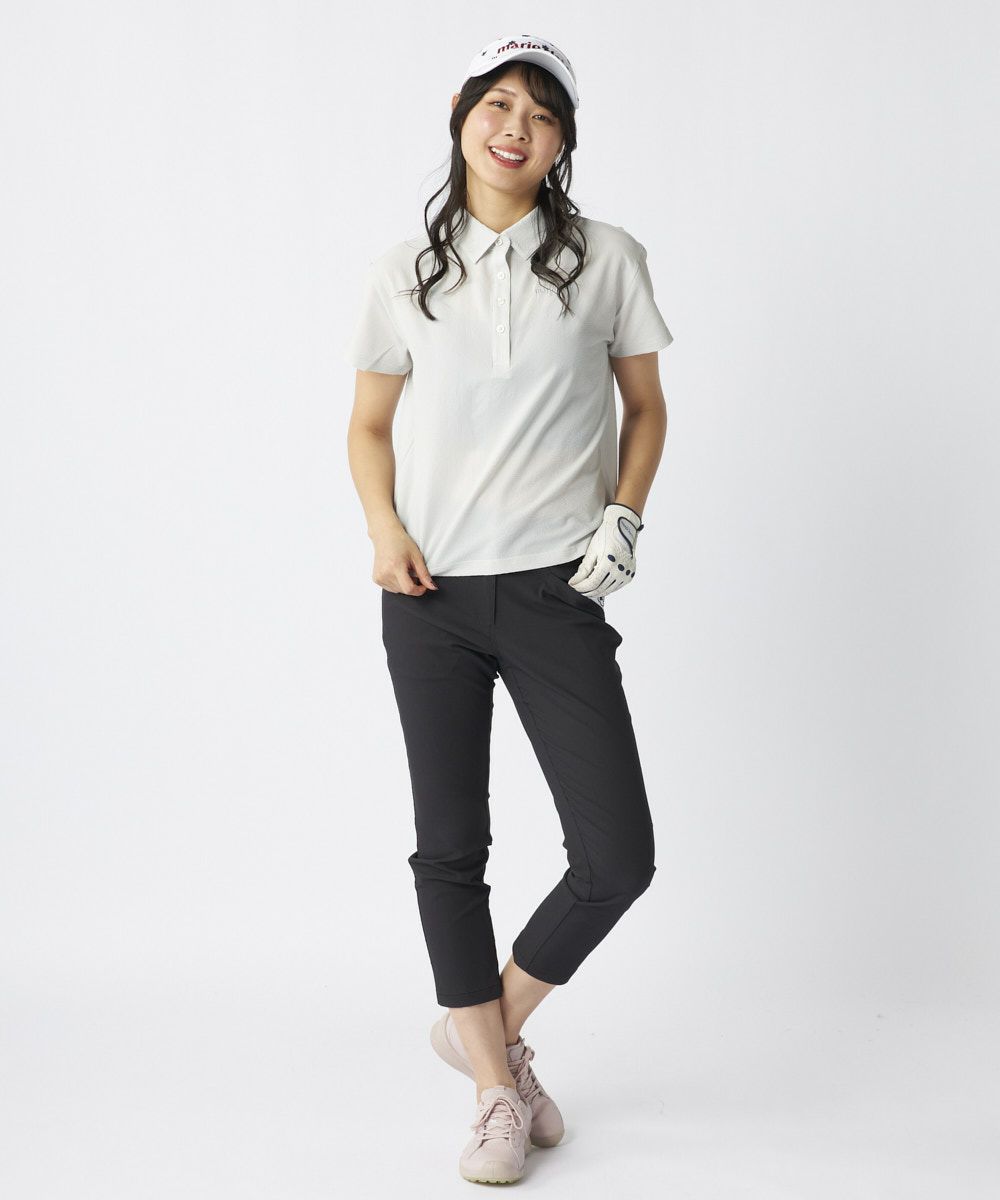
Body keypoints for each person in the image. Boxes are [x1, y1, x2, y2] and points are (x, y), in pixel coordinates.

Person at [345, 33, 674, 1185]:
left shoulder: (606, 259)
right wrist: (383, 529)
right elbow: (368, 425)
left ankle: (483, 1025)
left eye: (541, 113)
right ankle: (497, 1088)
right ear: (462, 113)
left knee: (617, 856)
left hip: (552, 590)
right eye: (498, 104)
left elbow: (645, 408)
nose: (515, 127)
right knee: (450, 847)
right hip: (427, 594)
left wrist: (623, 516)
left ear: (561, 141)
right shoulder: (404, 272)